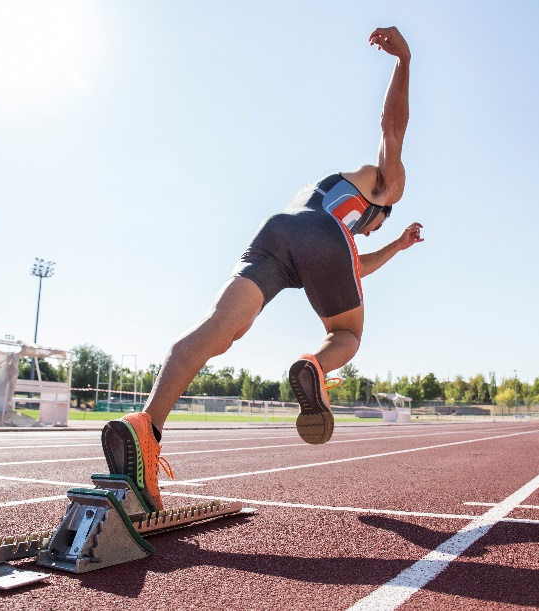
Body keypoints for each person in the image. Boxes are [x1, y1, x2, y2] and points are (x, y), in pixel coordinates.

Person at [102, 26, 422, 510]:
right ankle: (313, 366)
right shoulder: (384, 188)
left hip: (278, 229)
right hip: (318, 238)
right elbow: (391, 130)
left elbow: (354, 267)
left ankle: (146, 426)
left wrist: (395, 247)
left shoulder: (334, 197)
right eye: (375, 228)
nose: (368, 233)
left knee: (219, 328)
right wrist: (404, 61)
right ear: (380, 207)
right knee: (348, 336)